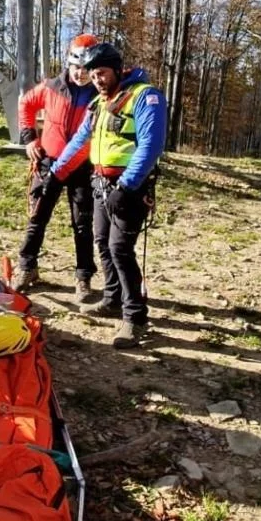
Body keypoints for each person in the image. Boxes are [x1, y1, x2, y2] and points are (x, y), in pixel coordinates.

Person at [51, 42, 167, 348]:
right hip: (100, 185)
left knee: (120, 249)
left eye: (101, 73)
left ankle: (135, 317)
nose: (97, 79)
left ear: (117, 69)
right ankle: (113, 298)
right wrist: (55, 175)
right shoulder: (100, 103)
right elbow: (80, 141)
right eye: (92, 75)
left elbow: (151, 145)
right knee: (101, 241)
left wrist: (127, 187)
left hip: (131, 187)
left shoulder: (145, 96)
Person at [13, 33, 100, 302]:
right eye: (77, 68)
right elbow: (26, 103)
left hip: (83, 167)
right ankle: (27, 267)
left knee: (83, 224)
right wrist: (29, 139)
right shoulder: (51, 87)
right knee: (37, 217)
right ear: (68, 64)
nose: (81, 74)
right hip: (48, 162)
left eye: (87, 70)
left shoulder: (101, 94)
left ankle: (83, 276)